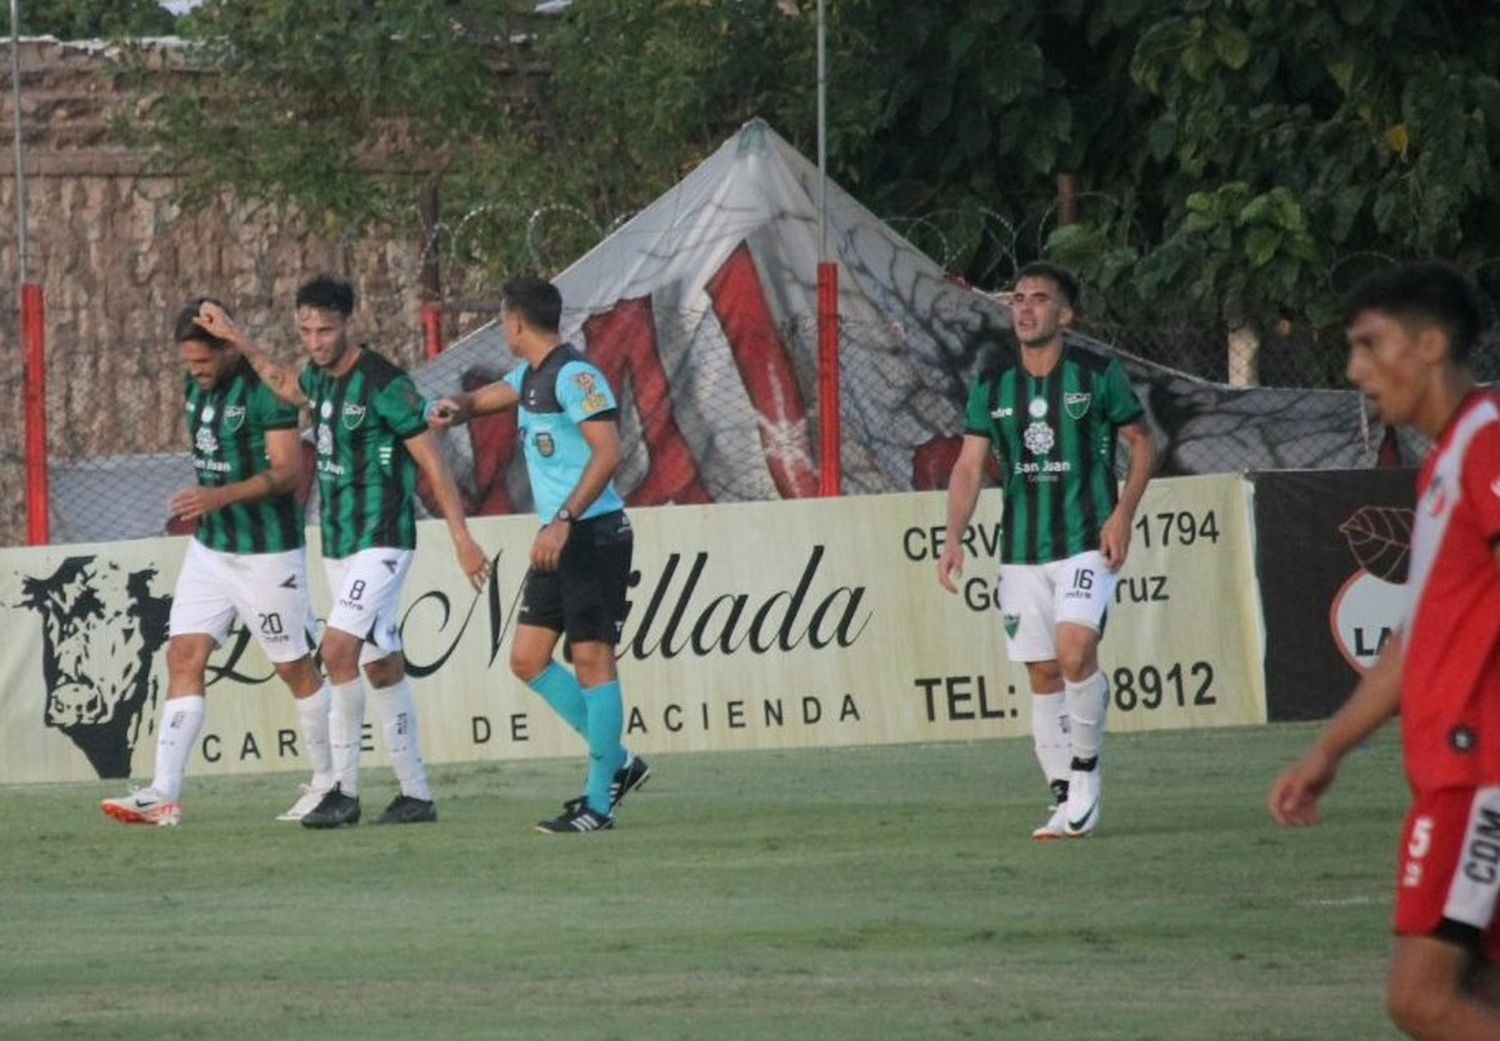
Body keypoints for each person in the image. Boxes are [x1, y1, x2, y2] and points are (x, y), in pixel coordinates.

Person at [1270, 262, 1500, 1041]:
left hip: (1481, 776)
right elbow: (1413, 644)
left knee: (1422, 999)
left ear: (1430, 343)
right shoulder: (1446, 460)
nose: (1355, 371)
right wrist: (1326, 751)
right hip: (1455, 771)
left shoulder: (1488, 440)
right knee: (1475, 991)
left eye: (1370, 344)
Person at [195, 276, 491, 828]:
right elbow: (287, 383)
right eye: (306, 330)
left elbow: (431, 460)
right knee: (380, 665)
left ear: (348, 324)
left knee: (335, 651)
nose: (315, 340)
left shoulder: (383, 382)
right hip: (337, 542)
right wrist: (237, 338)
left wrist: (461, 537)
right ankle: (416, 796)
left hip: (382, 539)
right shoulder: (318, 379)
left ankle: (343, 791)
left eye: (325, 330)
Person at [938, 262, 1156, 840]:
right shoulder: (994, 382)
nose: (1026, 309)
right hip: (1021, 549)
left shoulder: (1095, 374)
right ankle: (1063, 795)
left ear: (1066, 314)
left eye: (1040, 299)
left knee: (1075, 650)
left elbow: (1143, 444)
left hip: (1085, 541)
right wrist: (953, 537)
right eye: (1018, 299)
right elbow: (968, 466)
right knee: (1042, 672)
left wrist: (1122, 516)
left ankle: (1085, 775)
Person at [100, 298, 334, 826]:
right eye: (188, 364)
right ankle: (164, 792)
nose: (196, 372)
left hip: (266, 555)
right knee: (183, 655)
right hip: (211, 551)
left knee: (295, 668)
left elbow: (287, 474)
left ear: (229, 348)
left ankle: (327, 783)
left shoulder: (265, 394)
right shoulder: (194, 391)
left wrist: (218, 497)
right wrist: (210, 507)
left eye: (204, 362)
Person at [431, 275, 648, 834]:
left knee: (592, 660)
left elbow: (609, 451)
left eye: (501, 320)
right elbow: (484, 400)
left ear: (515, 323)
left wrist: (564, 521)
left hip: (591, 534)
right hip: (561, 537)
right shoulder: (532, 376)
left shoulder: (576, 376)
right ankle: (620, 762)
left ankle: (598, 804)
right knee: (527, 658)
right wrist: (452, 406)